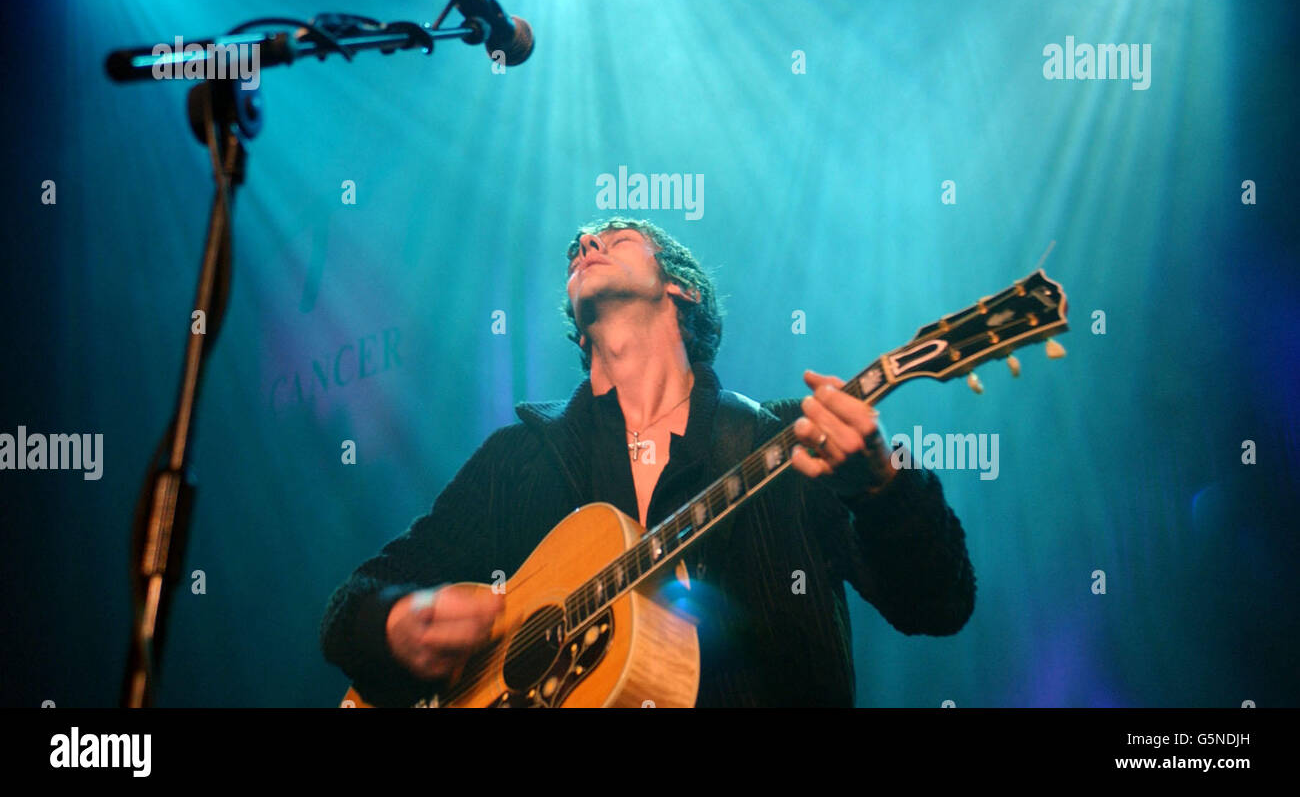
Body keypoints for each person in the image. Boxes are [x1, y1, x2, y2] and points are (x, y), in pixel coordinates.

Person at [320, 217, 975, 707]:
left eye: (616, 236)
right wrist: (396, 626)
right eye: (578, 247)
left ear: (681, 288)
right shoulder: (519, 459)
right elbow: (355, 602)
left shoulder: (788, 441)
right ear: (579, 333)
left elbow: (938, 606)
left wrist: (884, 488)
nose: (585, 245)